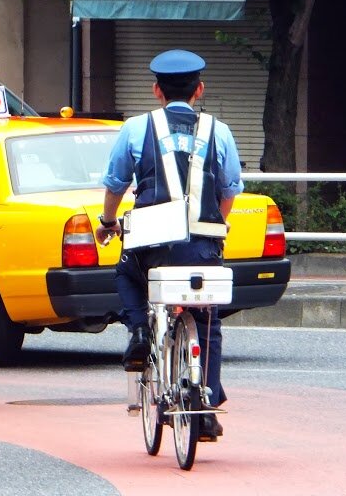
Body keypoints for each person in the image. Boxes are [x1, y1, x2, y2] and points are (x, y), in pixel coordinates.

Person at [94, 50, 243, 442]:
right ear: (200, 90)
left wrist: (108, 222)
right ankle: (207, 404)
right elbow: (230, 189)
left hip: (150, 242)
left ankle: (141, 332)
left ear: (156, 90)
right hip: (202, 245)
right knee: (207, 319)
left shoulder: (134, 129)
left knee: (127, 273)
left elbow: (115, 185)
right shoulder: (219, 131)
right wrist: (216, 224)